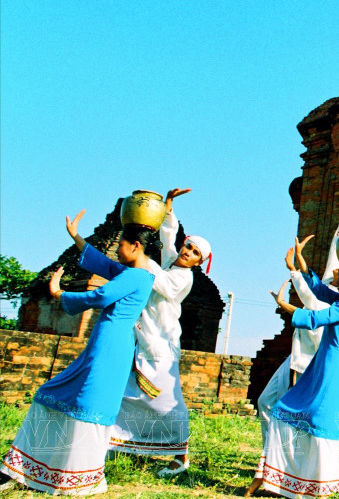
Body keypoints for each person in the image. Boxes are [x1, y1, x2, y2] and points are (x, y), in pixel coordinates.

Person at [0, 211, 156, 495]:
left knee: (90, 405)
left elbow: (100, 296)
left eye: (121, 243)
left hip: (110, 347)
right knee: (54, 394)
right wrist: (76, 237)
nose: (118, 249)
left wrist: (60, 295)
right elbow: (104, 264)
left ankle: (77, 478)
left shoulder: (137, 276)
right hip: (107, 343)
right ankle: (27, 468)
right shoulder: (133, 273)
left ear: (135, 245)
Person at [253, 203, 339, 481]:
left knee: (309, 419)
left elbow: (313, 310)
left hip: (319, 362)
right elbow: (315, 282)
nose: (335, 276)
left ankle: (302, 472)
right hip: (304, 356)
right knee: (274, 407)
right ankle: (279, 465)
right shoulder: (335, 293)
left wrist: (285, 304)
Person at [244, 254, 339, 498]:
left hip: (331, 370)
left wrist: (284, 304)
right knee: (287, 413)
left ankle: (312, 486)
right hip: (322, 365)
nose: (336, 278)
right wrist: (300, 265)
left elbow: (314, 318)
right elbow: (319, 290)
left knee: (316, 423)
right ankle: (280, 479)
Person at [108, 188, 212, 476]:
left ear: (199, 262)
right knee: (129, 394)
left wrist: (139, 254)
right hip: (144, 337)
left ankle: (181, 455)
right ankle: (119, 442)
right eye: (188, 246)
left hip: (162, 345)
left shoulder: (182, 278)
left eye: (194, 253)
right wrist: (168, 205)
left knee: (167, 400)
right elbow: (169, 236)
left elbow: (160, 282)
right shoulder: (169, 262)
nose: (187, 252)